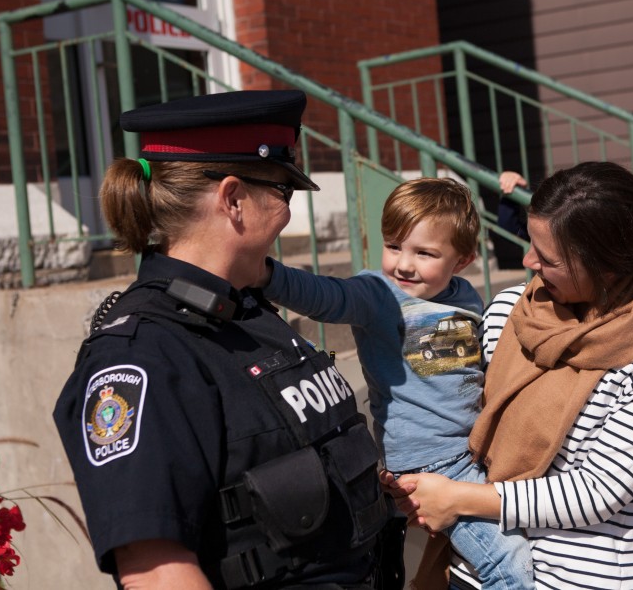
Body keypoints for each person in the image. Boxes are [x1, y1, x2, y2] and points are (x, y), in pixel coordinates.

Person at [53, 90, 395, 590]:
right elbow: (158, 573)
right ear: (233, 199)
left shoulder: (245, 310)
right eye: (284, 192)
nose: (286, 213)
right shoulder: (142, 354)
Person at [385, 161, 633, 589]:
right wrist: (417, 479)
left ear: (605, 265)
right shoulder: (509, 310)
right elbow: (449, 405)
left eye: (549, 258)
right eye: (531, 242)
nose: (527, 260)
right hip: (477, 565)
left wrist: (458, 498)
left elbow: (598, 491)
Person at [257, 177, 534, 590]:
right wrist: (264, 273)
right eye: (393, 246)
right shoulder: (377, 292)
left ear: (462, 261)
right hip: (429, 460)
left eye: (424, 253)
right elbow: (323, 294)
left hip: (467, 452)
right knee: (511, 568)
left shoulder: (464, 297)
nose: (404, 264)